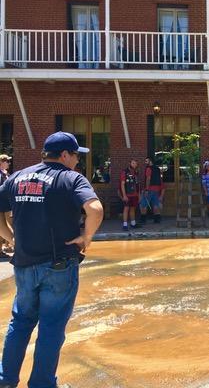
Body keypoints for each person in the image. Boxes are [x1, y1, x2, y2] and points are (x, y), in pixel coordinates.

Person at [0, 131, 104, 388]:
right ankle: (42, 383)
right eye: (76, 156)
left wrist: (11, 238)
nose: (77, 161)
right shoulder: (71, 178)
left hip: (24, 264)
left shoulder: (17, 177)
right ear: (65, 155)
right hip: (59, 264)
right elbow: (95, 209)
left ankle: (5, 380)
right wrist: (86, 237)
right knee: (51, 327)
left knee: (20, 322)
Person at [140, 157, 165, 224]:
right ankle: (157, 219)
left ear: (150, 161)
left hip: (150, 189)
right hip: (157, 189)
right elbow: (160, 179)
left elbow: (148, 179)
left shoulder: (148, 168)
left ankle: (143, 220)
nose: (145, 162)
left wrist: (146, 189)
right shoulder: (158, 169)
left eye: (146, 161)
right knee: (155, 205)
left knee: (143, 204)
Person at [119, 159, 139, 231]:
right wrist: (124, 195)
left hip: (134, 194)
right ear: (129, 163)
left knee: (132, 208)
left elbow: (137, 184)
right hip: (127, 194)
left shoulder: (136, 172)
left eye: (135, 163)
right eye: (133, 163)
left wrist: (138, 194)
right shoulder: (124, 172)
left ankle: (133, 223)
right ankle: (125, 225)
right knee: (126, 208)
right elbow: (122, 184)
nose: (134, 165)